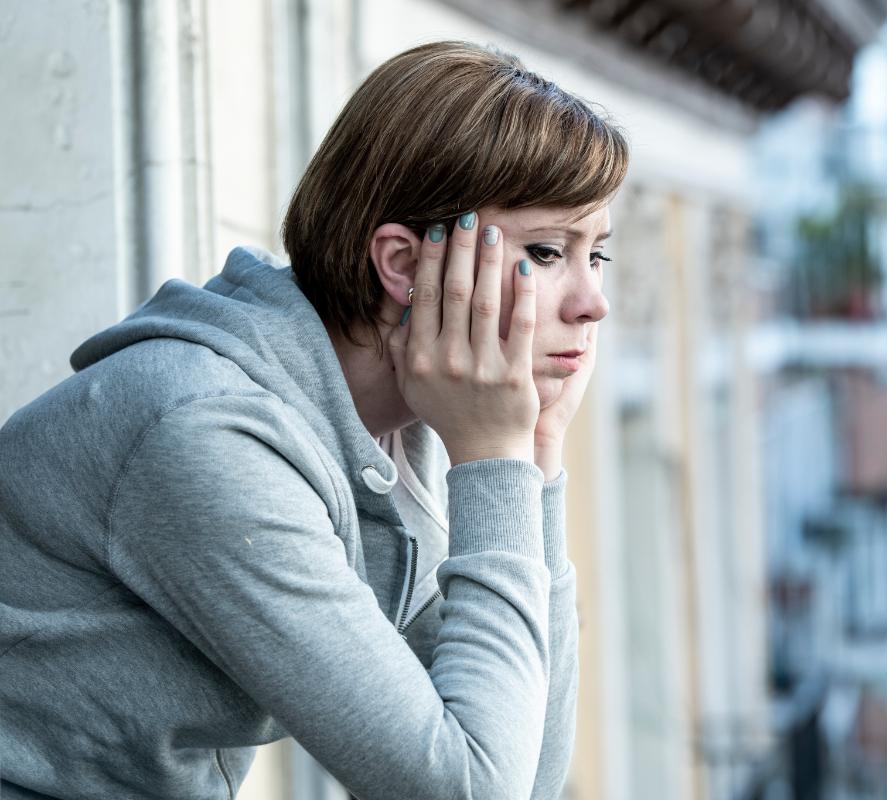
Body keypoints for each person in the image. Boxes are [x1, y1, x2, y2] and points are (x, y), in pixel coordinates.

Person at [0, 40, 627, 799]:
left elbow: (526, 774)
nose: (591, 303)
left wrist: (533, 453)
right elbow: (464, 790)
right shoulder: (207, 431)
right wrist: (497, 457)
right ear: (403, 265)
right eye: (548, 250)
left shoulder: (420, 427)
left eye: (598, 257)